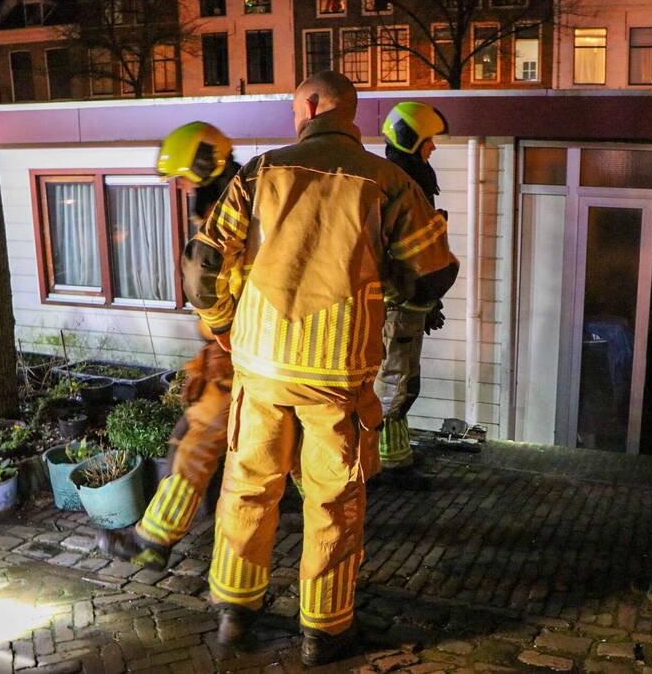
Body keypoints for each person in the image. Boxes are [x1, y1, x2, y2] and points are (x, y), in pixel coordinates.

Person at [182, 72, 458, 665]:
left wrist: (227, 322)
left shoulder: (258, 173)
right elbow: (434, 272)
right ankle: (324, 631)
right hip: (338, 376)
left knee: (249, 487)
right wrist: (394, 298)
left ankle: (235, 612)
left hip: (260, 366)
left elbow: (205, 263)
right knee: (333, 501)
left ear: (308, 106)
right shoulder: (390, 181)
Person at [97, 122, 240, 570]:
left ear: (206, 167)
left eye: (185, 177)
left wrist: (220, 344)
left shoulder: (229, 215)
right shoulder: (229, 207)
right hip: (237, 353)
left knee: (195, 442)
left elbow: (223, 290)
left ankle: (153, 541)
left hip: (241, 356)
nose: (180, 186)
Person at [375, 101, 451, 489]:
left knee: (404, 381)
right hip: (398, 304)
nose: (433, 148)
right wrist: (418, 296)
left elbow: (423, 253)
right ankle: (385, 467)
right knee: (392, 383)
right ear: (411, 138)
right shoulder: (399, 183)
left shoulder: (409, 179)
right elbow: (397, 254)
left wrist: (431, 300)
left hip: (411, 302)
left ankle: (396, 458)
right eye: (429, 140)